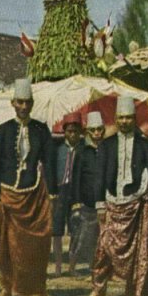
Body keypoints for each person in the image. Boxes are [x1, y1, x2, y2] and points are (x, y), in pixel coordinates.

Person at [0, 78, 58, 296]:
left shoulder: (41, 129)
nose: (24, 107)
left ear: (32, 103)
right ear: (13, 103)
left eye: (28, 102)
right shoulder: (4, 130)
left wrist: (52, 194)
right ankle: (7, 288)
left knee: (36, 244)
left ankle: (38, 290)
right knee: (6, 244)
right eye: (20, 102)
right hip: (8, 192)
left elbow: (50, 162)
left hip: (34, 193)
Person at [83, 96, 148, 296]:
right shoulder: (106, 145)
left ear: (134, 119)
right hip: (110, 202)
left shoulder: (145, 145)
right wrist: (99, 205)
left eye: (128, 118)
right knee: (103, 249)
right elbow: (100, 176)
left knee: (140, 250)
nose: (124, 122)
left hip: (137, 204)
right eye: (121, 118)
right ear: (116, 119)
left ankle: (137, 291)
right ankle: (98, 289)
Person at [67, 111, 104, 276]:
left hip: (102, 202)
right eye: (93, 130)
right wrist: (76, 202)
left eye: (99, 130)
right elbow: (75, 179)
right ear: (88, 132)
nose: (97, 133)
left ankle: (96, 268)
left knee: (99, 238)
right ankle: (72, 267)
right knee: (81, 237)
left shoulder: (106, 150)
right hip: (86, 203)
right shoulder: (82, 153)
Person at [52, 112, 83, 276]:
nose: (72, 134)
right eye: (69, 131)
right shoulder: (58, 149)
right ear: (64, 132)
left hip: (76, 192)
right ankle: (58, 265)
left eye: (75, 131)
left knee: (75, 229)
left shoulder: (83, 149)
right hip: (59, 191)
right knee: (56, 230)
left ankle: (72, 266)